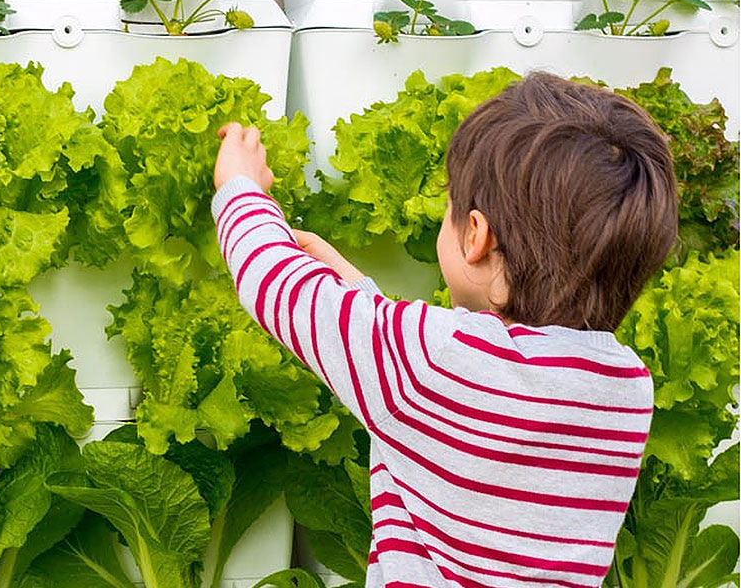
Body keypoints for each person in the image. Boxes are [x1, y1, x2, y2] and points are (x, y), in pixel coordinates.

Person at [211, 71, 678, 588]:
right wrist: (362, 299)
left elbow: (277, 285)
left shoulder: (437, 359)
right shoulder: (627, 387)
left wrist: (240, 189)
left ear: (475, 236)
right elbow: (444, 384)